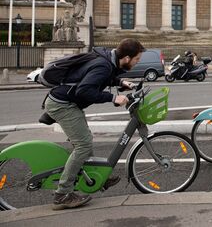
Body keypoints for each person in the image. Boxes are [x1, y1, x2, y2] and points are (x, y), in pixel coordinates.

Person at [45, 38, 145, 210]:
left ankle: (93, 175)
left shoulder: (109, 61)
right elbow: (84, 90)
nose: (137, 63)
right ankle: (62, 194)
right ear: (127, 58)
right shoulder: (104, 65)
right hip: (63, 105)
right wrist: (113, 97)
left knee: (85, 140)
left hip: (68, 102)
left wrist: (120, 82)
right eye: (137, 59)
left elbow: (99, 78)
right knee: (83, 145)